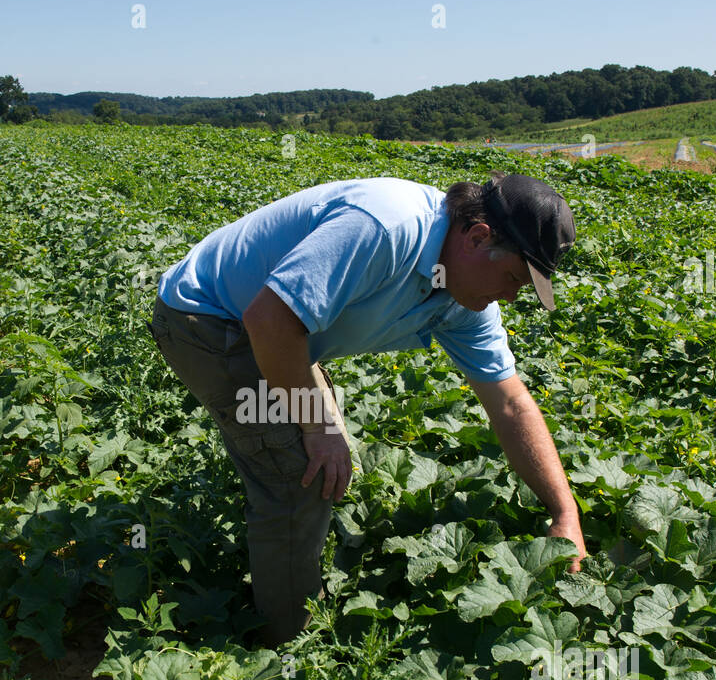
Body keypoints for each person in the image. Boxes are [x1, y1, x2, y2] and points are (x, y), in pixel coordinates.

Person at [149, 170, 587, 646]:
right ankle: (289, 653)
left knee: (324, 452)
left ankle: (293, 573)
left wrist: (564, 511)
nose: (509, 296)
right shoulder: (385, 228)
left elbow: (510, 405)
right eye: (512, 278)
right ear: (478, 238)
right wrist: (315, 427)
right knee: (299, 476)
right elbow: (269, 319)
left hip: (285, 329)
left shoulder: (464, 297)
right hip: (214, 320)